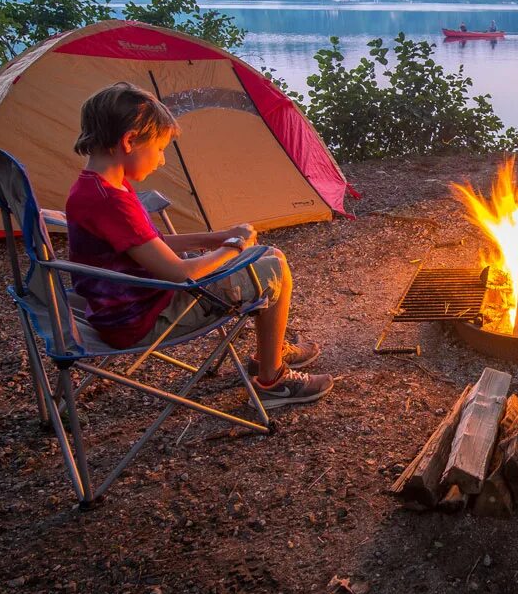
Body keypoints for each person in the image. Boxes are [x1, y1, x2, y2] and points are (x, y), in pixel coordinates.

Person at [64, 82, 333, 407]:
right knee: (274, 267)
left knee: (270, 255)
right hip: (148, 316)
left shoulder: (100, 186)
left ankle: (268, 353)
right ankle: (271, 378)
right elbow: (180, 273)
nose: (162, 160)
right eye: (160, 148)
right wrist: (232, 246)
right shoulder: (110, 201)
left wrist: (215, 238)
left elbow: (148, 244)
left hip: (134, 303)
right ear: (130, 140)